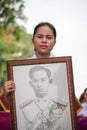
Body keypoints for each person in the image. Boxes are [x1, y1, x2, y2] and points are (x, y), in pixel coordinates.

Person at [19, 65, 67, 130]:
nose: (39, 84)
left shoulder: (61, 106)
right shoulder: (24, 109)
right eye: (35, 81)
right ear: (30, 83)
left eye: (43, 80)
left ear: (50, 81)